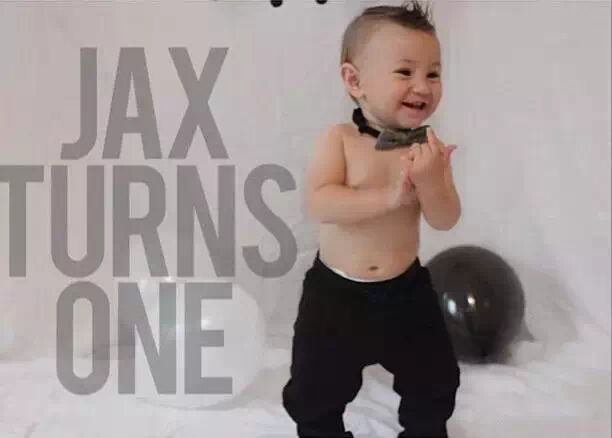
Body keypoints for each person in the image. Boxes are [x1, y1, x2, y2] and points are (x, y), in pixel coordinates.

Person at [282, 2, 461, 437]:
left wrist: (433, 181)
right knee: (315, 387)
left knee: (435, 377)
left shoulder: (427, 148)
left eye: (433, 73)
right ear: (354, 80)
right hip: (336, 294)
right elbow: (321, 203)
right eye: (405, 71)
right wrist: (390, 196)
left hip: (406, 291)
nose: (422, 85)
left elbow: (445, 219)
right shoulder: (340, 140)